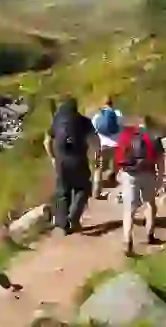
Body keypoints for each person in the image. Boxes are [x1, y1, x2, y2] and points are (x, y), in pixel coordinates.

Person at [115, 115, 166, 256]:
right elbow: (160, 161)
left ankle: (127, 240)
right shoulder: (153, 137)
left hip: (129, 175)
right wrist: (160, 179)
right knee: (150, 204)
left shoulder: (125, 136)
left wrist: (119, 173)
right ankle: (150, 234)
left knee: (129, 209)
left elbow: (119, 157)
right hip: (148, 174)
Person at [43, 97, 96, 235]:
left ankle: (62, 225)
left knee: (62, 192)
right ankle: (74, 216)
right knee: (83, 188)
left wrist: (53, 157)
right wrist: (95, 156)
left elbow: (47, 141)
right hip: (79, 160)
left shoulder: (57, 121)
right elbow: (93, 140)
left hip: (61, 161)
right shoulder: (84, 121)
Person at [91, 96, 124, 200]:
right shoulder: (118, 114)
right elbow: (122, 127)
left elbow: (93, 133)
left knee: (99, 169)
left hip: (102, 146)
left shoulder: (96, 117)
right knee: (119, 169)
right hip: (116, 146)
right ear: (112, 103)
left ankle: (96, 191)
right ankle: (120, 193)